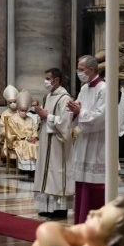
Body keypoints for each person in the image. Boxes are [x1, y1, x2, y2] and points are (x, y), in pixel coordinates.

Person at [69, 55, 107, 224]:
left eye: (81, 69)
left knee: (94, 184)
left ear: (92, 70)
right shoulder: (84, 89)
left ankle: (92, 225)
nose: (79, 73)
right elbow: (79, 109)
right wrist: (72, 110)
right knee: (82, 182)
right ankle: (80, 222)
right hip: (84, 141)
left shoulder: (104, 89)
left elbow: (101, 117)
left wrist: (80, 111)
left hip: (97, 142)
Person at [33, 68, 74, 219]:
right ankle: (48, 207)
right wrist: (40, 115)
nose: (46, 81)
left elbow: (66, 123)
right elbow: (46, 118)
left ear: (56, 80)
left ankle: (60, 210)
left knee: (57, 172)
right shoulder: (48, 96)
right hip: (46, 140)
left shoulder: (65, 98)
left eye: (48, 78)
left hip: (58, 142)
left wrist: (47, 116)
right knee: (46, 171)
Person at [6, 91, 39, 175]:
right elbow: (14, 132)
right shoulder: (13, 119)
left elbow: (34, 129)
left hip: (31, 140)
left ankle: (36, 169)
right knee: (29, 146)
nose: (24, 112)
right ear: (18, 109)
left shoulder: (30, 119)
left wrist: (34, 137)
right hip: (19, 140)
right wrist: (26, 138)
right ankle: (26, 170)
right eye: (22, 110)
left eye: (25, 110)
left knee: (38, 145)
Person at [0, 85, 19, 161]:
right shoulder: (5, 114)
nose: (13, 103)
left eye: (14, 101)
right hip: (9, 135)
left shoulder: (20, 112)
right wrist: (12, 132)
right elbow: (1, 128)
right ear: (8, 103)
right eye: (11, 102)